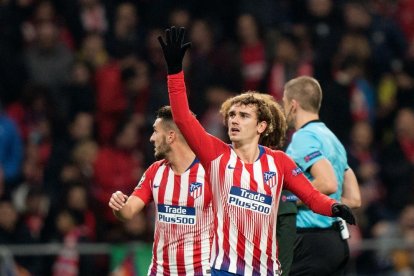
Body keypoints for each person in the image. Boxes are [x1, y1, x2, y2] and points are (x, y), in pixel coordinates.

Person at [158, 26, 356, 276]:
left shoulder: (279, 162)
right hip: (224, 270)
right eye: (231, 115)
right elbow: (183, 119)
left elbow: (311, 195)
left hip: (266, 271)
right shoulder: (216, 155)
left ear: (261, 125)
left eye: (243, 115)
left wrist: (333, 207)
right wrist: (175, 72)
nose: (234, 120)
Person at [108, 106, 214, 275]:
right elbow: (128, 212)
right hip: (160, 271)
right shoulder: (155, 171)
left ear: (171, 136)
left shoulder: (210, 173)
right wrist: (119, 206)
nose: (151, 138)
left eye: (156, 132)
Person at [282, 76, 361, 275]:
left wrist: (286, 200)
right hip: (335, 241)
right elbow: (354, 198)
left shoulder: (303, 137)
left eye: (283, 103)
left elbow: (327, 183)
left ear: (293, 105)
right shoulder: (332, 139)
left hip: (309, 243)